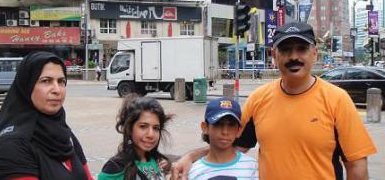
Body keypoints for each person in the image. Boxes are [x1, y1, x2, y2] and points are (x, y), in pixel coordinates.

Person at [171, 22, 377, 180]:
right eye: (286, 50)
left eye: (301, 49)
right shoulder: (259, 99)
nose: (293, 56)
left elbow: (356, 166)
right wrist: (190, 157)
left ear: (314, 53)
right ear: (274, 55)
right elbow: (229, 147)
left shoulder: (337, 100)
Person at [0, 51, 94, 180]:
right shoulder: (12, 147)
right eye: (46, 81)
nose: (56, 90)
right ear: (27, 85)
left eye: (61, 81)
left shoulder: (66, 135)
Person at [98, 96, 172, 180]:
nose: (151, 134)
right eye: (143, 126)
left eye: (156, 128)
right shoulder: (116, 167)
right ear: (129, 129)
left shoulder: (158, 161)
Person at [187, 98, 258, 180]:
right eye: (218, 124)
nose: (225, 131)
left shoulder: (252, 167)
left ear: (239, 131)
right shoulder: (193, 172)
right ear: (205, 127)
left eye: (231, 125)